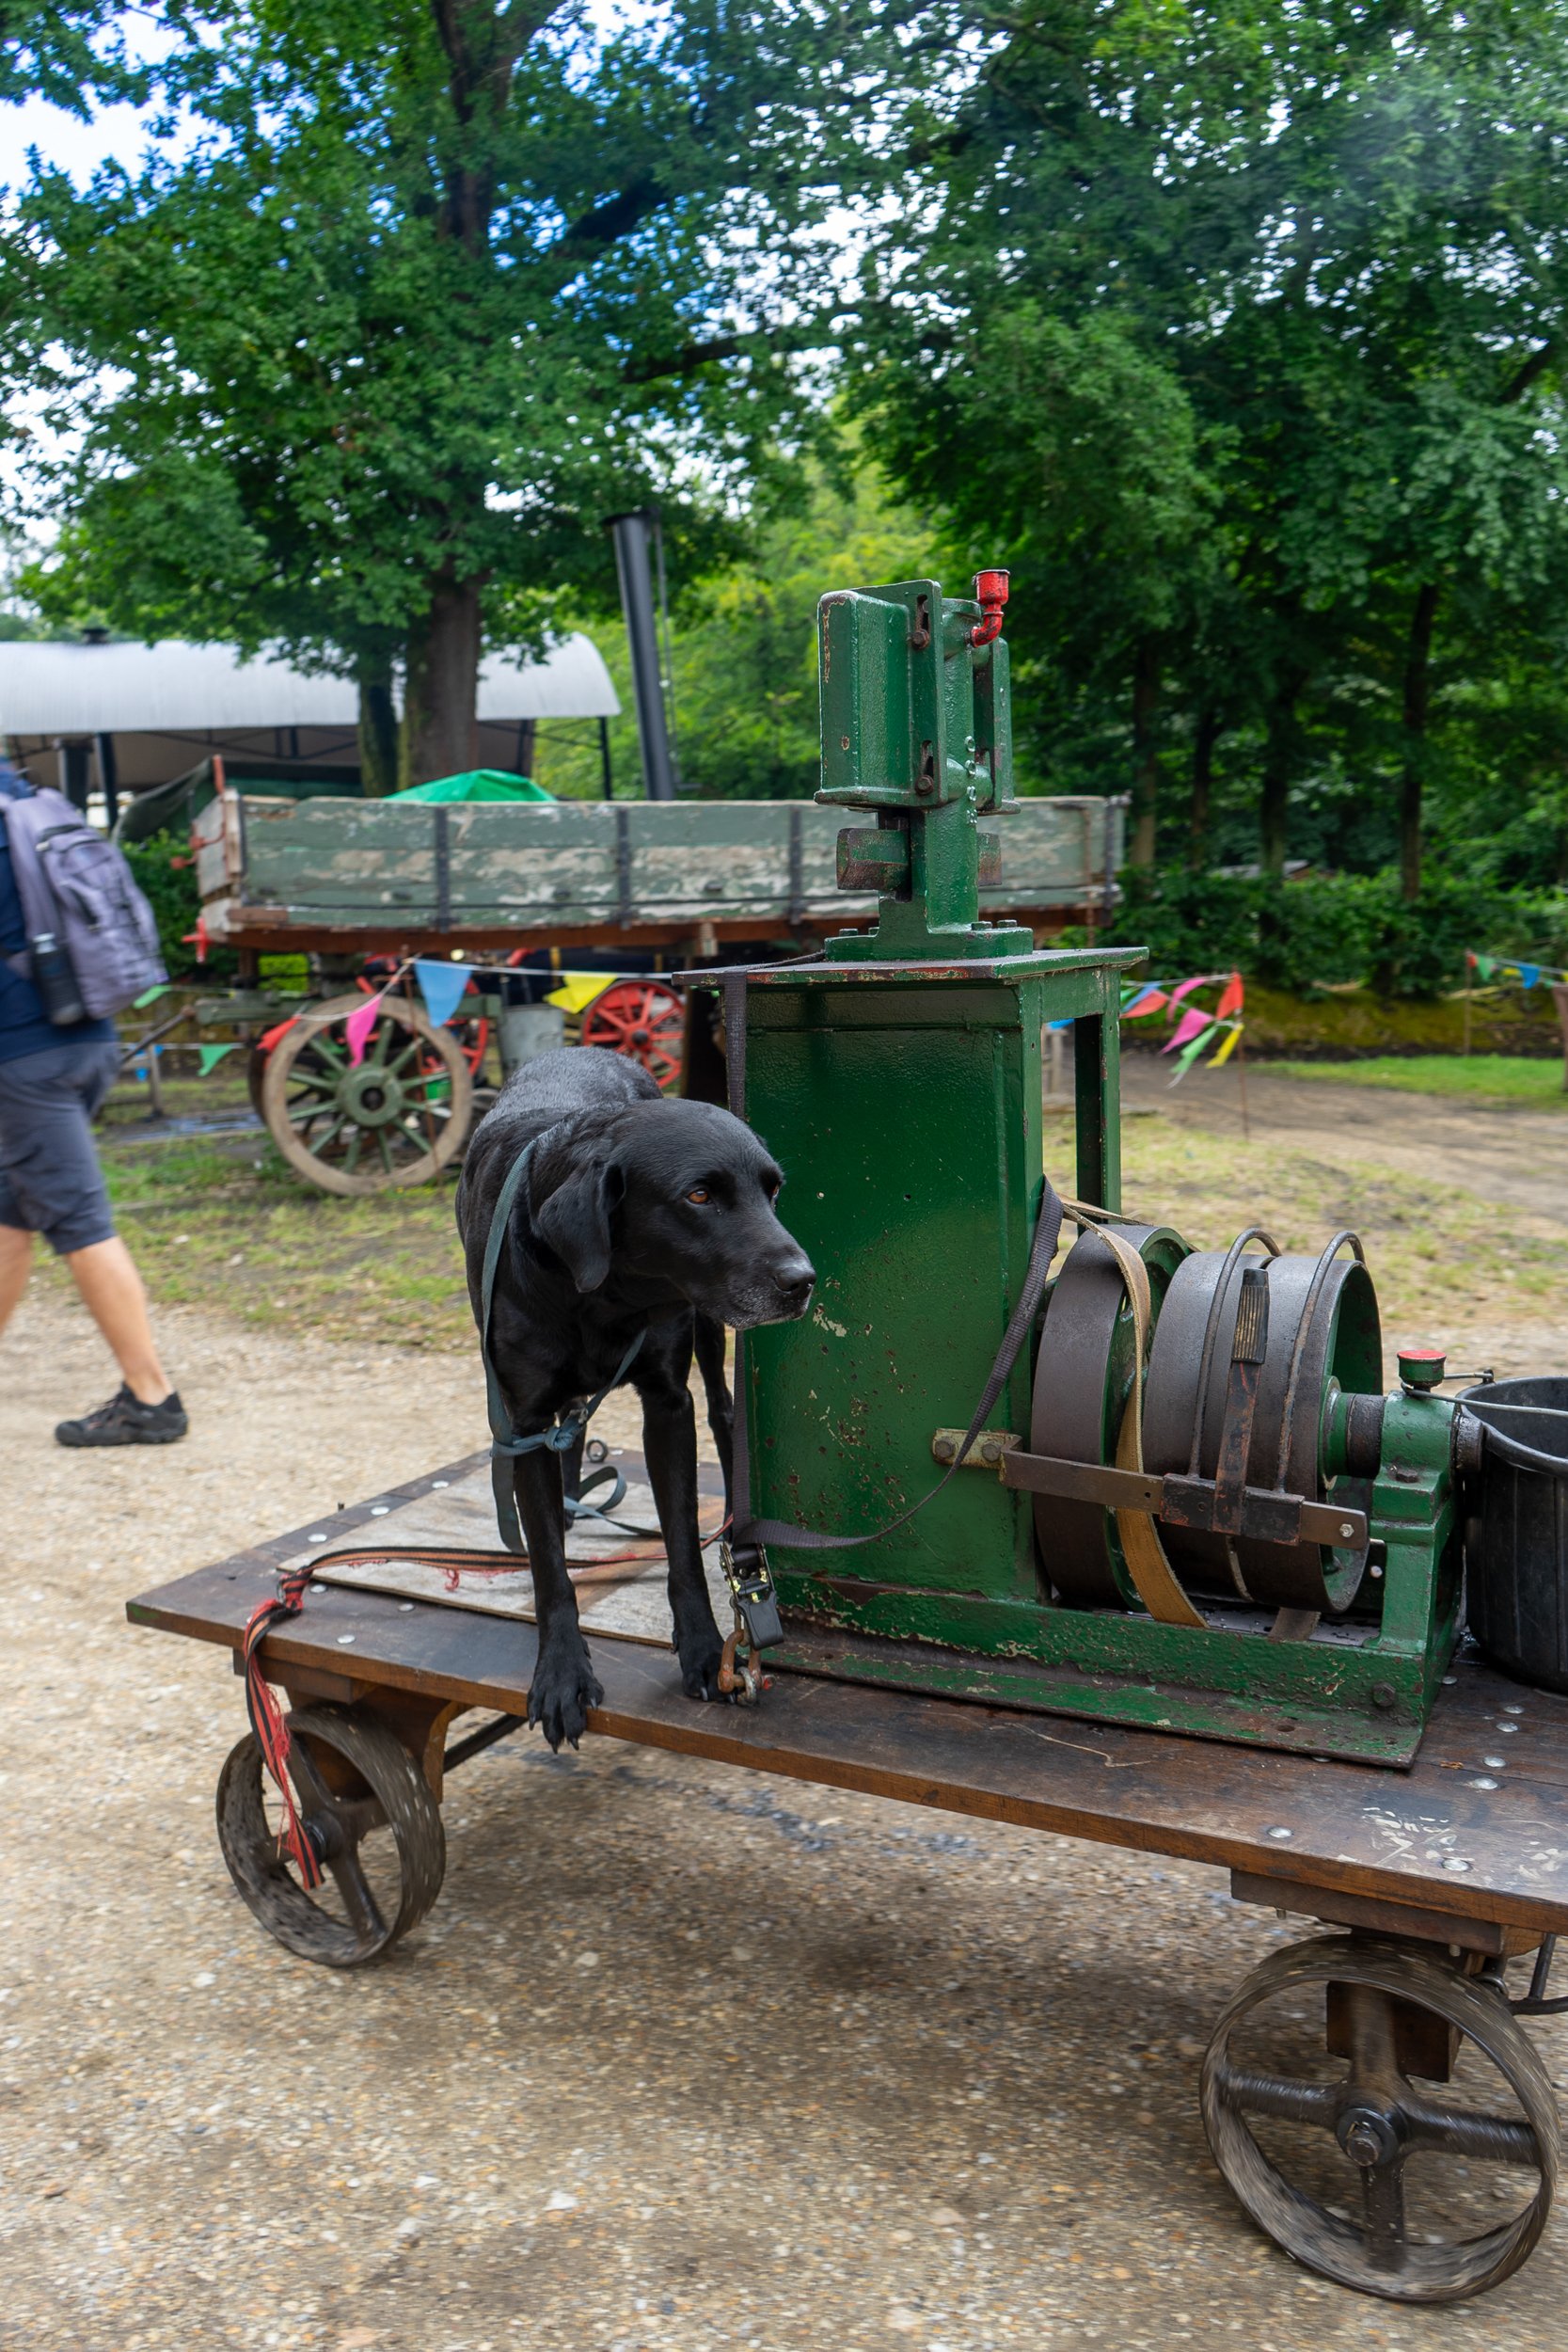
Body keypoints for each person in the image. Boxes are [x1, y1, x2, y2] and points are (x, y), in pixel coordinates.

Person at [0, 762, 186, 1444]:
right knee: (10, 1208)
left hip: (24, 1058)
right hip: (87, 1036)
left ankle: (152, 1399)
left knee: (79, 1222)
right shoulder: (33, 802)